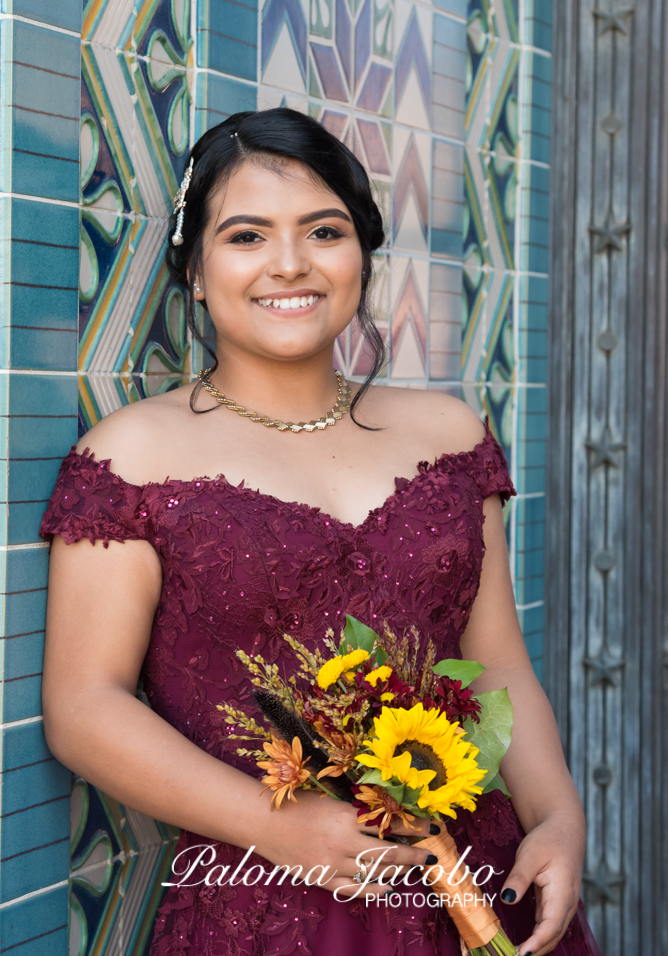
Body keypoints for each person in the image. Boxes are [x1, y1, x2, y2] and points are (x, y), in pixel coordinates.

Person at [40, 108, 601, 956]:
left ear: (362, 254)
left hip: (478, 886)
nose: (291, 264)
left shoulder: (449, 435)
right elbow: (83, 708)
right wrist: (289, 829)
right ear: (193, 270)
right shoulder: (132, 459)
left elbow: (496, 668)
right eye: (247, 236)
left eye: (323, 230)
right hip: (268, 898)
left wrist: (558, 818)